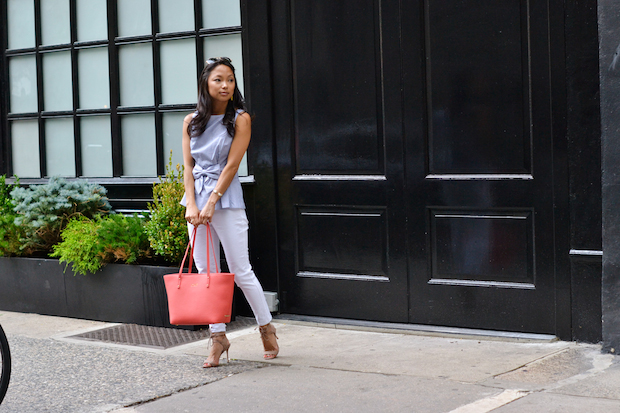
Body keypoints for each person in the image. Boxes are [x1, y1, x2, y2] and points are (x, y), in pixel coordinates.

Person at [181, 57, 278, 368]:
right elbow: (188, 167)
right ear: (205, 85)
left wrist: (211, 203)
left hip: (226, 200)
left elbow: (232, 166)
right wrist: (193, 204)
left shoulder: (241, 119)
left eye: (231, 80)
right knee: (207, 274)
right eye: (218, 80)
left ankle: (266, 327)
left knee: (239, 270)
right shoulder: (190, 121)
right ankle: (217, 338)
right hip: (195, 204)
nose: (225, 85)